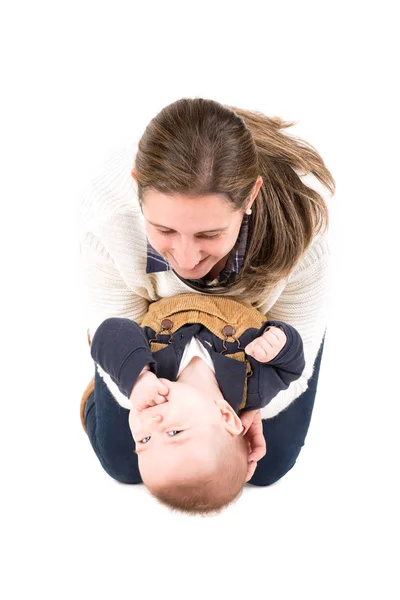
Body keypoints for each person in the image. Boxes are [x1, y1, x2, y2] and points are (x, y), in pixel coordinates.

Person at [79, 97, 334, 509]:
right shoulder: (107, 216)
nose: (185, 257)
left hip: (257, 328)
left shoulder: (302, 231)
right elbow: (113, 326)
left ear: (250, 197)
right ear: (137, 187)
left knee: (266, 466)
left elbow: (295, 359)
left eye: (209, 235)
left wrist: (252, 402)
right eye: (164, 230)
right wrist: (134, 382)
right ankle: (100, 393)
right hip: (142, 331)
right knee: (122, 463)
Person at [81, 293, 305, 514]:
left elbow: (109, 331)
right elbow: (293, 368)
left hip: (168, 302)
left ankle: (103, 382)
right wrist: (280, 344)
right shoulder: (255, 386)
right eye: (174, 432)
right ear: (226, 416)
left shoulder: (151, 372)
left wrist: (136, 375)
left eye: (144, 439)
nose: (151, 422)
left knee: (110, 358)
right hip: (229, 289)